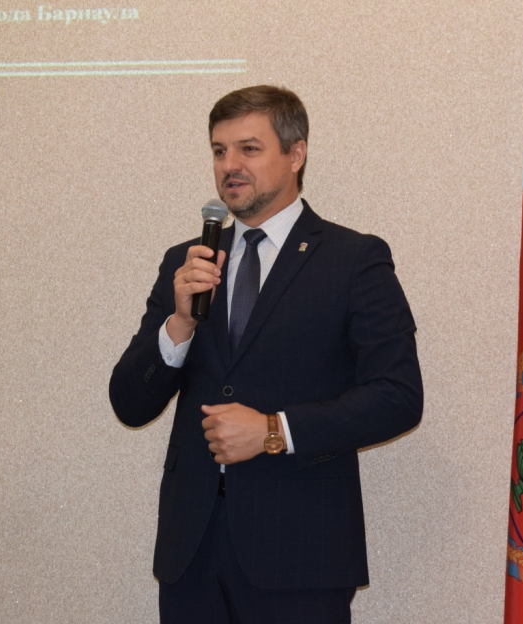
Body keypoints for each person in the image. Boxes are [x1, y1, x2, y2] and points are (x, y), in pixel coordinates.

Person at [109, 85, 423, 623]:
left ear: (296, 154)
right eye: (219, 151)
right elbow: (129, 403)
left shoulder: (353, 260)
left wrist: (274, 430)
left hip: (300, 554)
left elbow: (398, 396)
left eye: (248, 149)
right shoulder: (187, 263)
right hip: (192, 554)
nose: (229, 165)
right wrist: (180, 323)